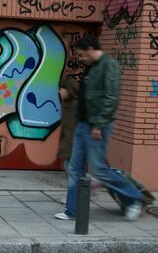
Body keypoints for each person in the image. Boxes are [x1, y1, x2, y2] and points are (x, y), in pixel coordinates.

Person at [54, 36, 143, 221]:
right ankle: (73, 211)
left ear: (90, 48)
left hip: (96, 126)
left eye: (81, 54)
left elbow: (111, 98)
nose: (81, 59)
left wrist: (99, 125)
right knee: (75, 169)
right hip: (83, 125)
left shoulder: (109, 65)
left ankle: (134, 198)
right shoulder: (92, 67)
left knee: (99, 169)